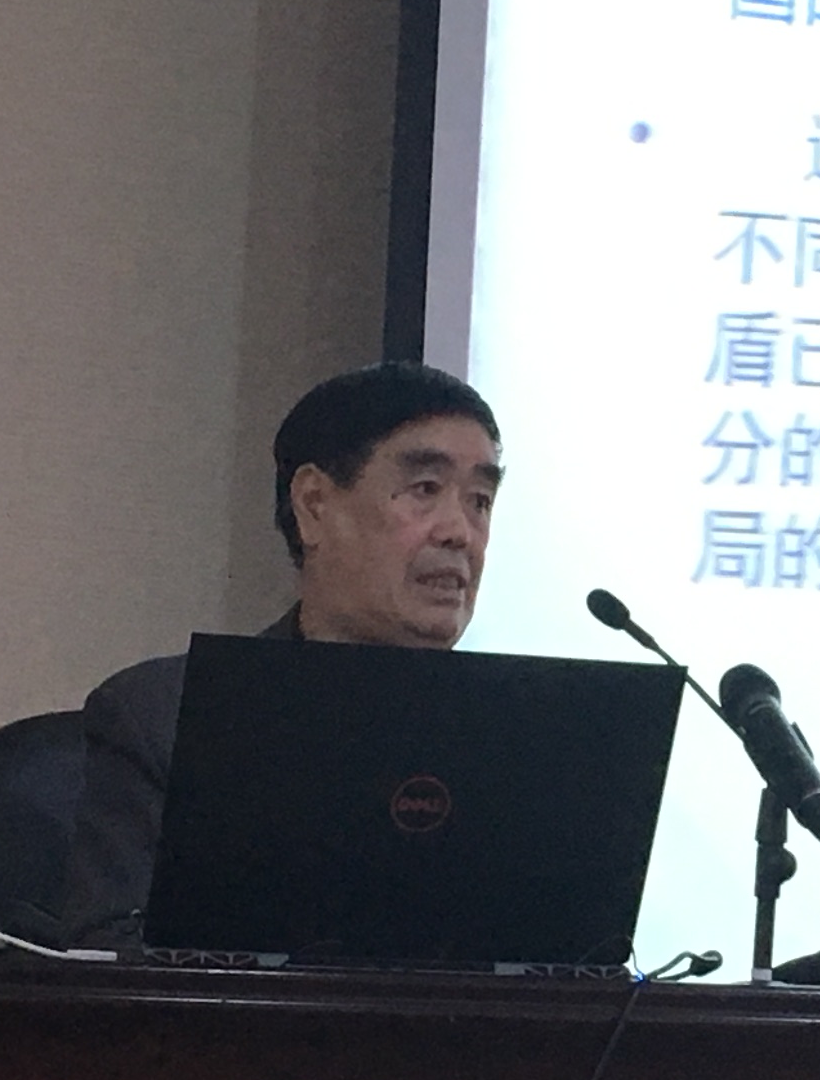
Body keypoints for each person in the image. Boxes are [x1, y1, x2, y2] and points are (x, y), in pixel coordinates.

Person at [52, 363, 505, 943]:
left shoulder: (516, 738)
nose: (460, 533)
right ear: (314, 505)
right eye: (425, 490)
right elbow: (110, 959)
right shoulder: (170, 717)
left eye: (480, 501)